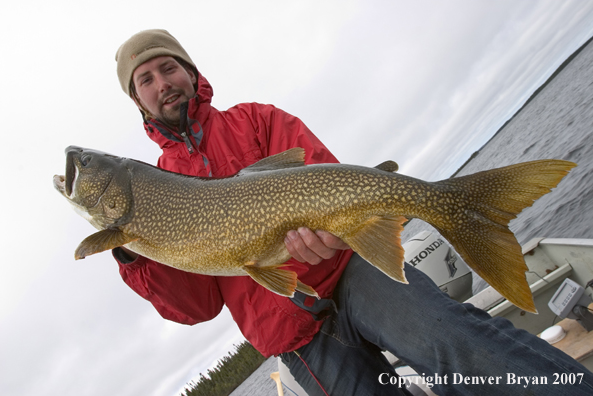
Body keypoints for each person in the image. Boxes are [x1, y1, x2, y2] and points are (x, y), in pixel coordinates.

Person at [113, 29, 593, 395]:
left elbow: (326, 178)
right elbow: (199, 305)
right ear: (138, 101)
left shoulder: (257, 120)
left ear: (191, 72)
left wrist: (336, 233)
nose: (163, 84)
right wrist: (132, 256)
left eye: (168, 67)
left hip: (350, 268)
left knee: (457, 345)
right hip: (288, 330)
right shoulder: (150, 200)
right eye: (146, 80)